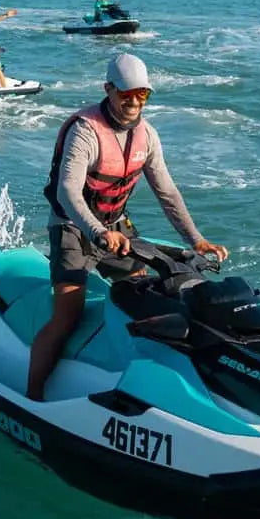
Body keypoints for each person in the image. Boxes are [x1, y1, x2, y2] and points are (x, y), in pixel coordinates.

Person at [26, 53, 228, 401]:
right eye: (126, 94)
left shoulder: (147, 136)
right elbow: (67, 191)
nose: (134, 102)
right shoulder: (85, 132)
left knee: (146, 294)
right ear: (108, 89)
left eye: (142, 95)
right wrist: (98, 233)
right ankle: (32, 396)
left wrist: (197, 240)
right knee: (67, 317)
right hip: (74, 228)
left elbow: (167, 191)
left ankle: (143, 380)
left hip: (116, 228)